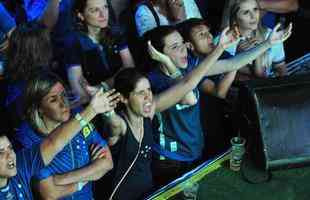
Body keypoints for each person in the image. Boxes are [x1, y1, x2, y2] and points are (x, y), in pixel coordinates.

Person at [145, 23, 291, 186]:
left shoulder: (188, 68)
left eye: (182, 43)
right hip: (169, 160)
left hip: (194, 149)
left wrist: (269, 43)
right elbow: (189, 96)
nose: (183, 49)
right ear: (157, 54)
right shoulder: (152, 83)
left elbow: (232, 64)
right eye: (174, 46)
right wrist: (219, 47)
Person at [101, 27, 236, 200]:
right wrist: (107, 113)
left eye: (148, 90)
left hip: (151, 186)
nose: (148, 96)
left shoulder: (148, 111)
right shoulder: (123, 122)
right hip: (145, 180)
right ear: (124, 99)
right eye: (141, 93)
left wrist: (222, 47)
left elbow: (188, 84)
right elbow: (113, 125)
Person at [0, 72, 118, 199]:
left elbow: (107, 163)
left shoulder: (77, 115)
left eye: (63, 95)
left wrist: (60, 179)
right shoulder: (27, 137)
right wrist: (89, 173)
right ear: (39, 108)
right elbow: (50, 193)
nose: (63, 103)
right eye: (53, 99)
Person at [65, 0, 135, 105]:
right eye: (95, 10)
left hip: (124, 95)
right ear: (81, 15)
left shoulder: (116, 33)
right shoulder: (73, 43)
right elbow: (81, 94)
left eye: (105, 7)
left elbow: (130, 70)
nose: (103, 14)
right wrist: (119, 75)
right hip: (96, 105)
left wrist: (103, 86)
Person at [221, 0, 288, 80]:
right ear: (234, 18)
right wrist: (237, 56)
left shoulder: (271, 35)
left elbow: (281, 69)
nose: (253, 16)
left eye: (255, 9)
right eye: (246, 12)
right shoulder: (224, 41)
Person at [134, 0, 202, 37]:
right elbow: (157, 53)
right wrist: (180, 21)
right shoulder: (144, 12)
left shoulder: (186, 1)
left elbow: (201, 32)